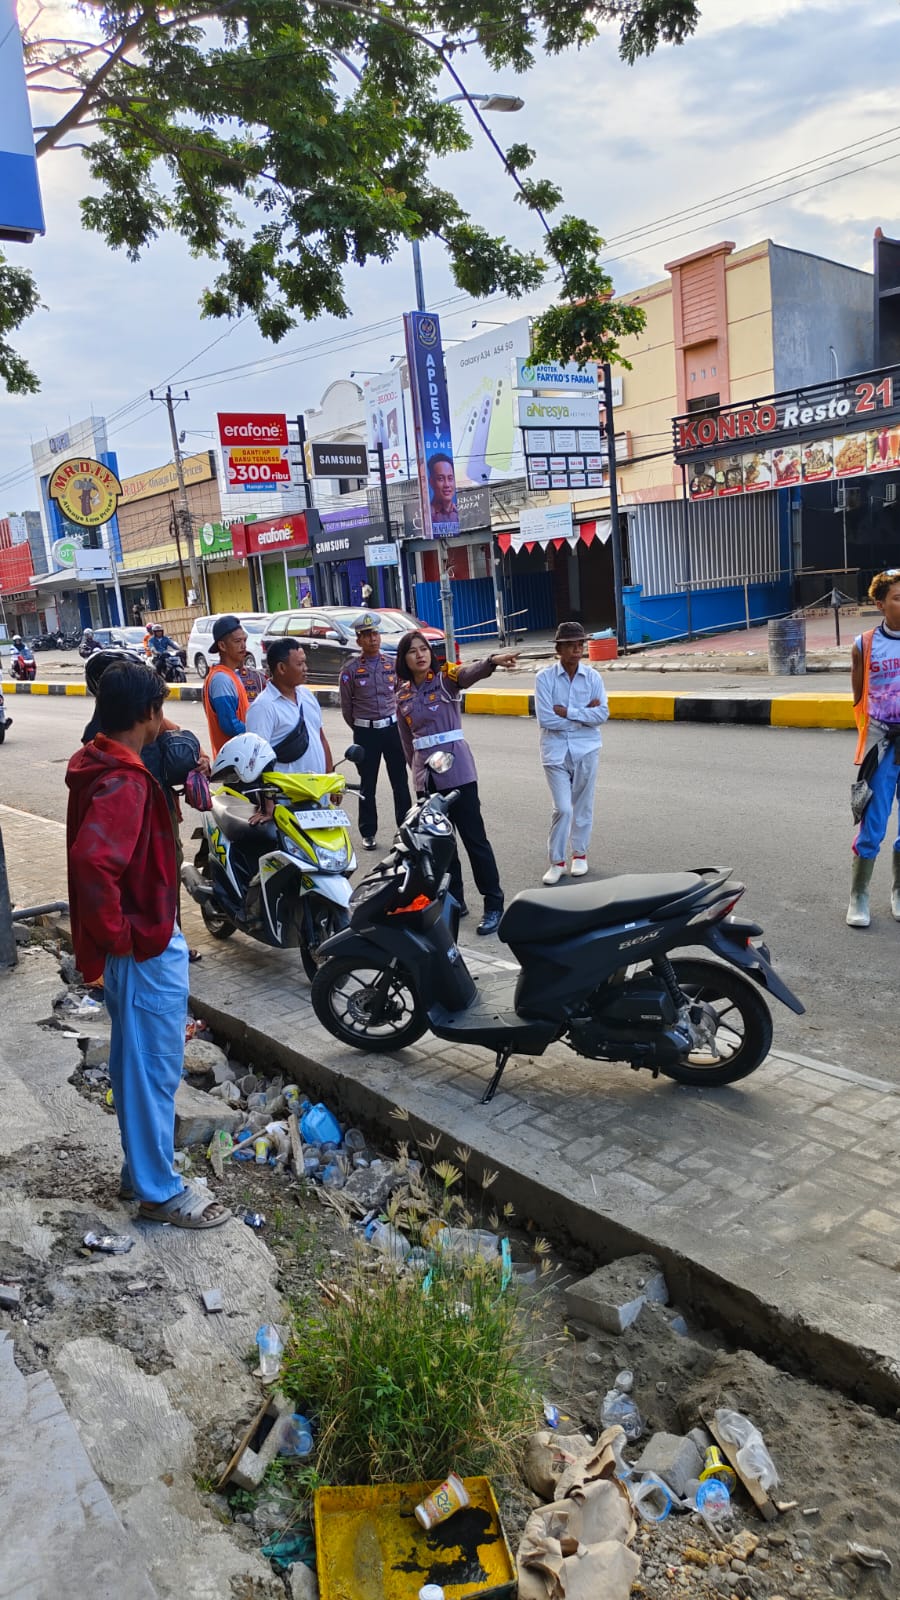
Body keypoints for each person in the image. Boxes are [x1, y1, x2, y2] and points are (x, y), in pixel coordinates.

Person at [65, 659, 228, 1228]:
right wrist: (124, 938)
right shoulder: (125, 782)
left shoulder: (101, 760)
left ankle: (144, 1173)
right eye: (160, 709)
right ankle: (160, 1192)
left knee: (140, 1064)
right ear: (148, 713)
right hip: (143, 947)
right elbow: (93, 864)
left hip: (142, 941)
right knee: (153, 1068)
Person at [395, 630, 517, 935]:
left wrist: (492, 661)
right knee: (441, 844)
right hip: (427, 777)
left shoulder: (445, 680)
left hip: (458, 773)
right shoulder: (403, 696)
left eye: (424, 649)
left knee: (474, 840)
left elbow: (468, 673)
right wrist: (418, 776)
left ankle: (493, 904)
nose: (420, 655)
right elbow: (408, 743)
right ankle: (454, 899)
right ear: (404, 659)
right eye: (413, 651)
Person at [535, 622, 610, 885]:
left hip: (586, 748)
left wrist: (569, 712)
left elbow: (602, 714)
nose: (577, 649)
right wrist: (583, 715)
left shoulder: (593, 678)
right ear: (559, 649)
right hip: (554, 752)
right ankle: (556, 860)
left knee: (584, 806)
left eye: (580, 644)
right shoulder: (544, 679)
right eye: (571, 645)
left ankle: (580, 854)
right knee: (563, 809)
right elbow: (546, 719)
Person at [847, 570, 900, 927]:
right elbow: (858, 696)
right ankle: (859, 896)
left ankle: (898, 892)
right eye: (897, 597)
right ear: (880, 604)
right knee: (873, 824)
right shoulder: (864, 644)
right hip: (882, 746)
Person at [339, 611, 410, 848]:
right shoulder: (349, 670)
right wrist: (363, 726)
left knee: (400, 781)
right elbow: (347, 708)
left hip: (392, 730)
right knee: (367, 783)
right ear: (358, 640)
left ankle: (405, 829)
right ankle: (368, 832)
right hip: (366, 732)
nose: (373, 639)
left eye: (375, 634)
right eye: (367, 635)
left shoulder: (392, 664)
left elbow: (401, 695)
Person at [246, 637, 333, 772]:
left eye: (305, 662)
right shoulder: (263, 707)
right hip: (287, 792)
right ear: (281, 668)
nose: (305, 668)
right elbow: (256, 760)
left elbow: (321, 738)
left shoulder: (307, 695)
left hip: (320, 790)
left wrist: (331, 778)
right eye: (300, 664)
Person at [202, 614, 249, 754]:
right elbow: (229, 725)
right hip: (234, 762)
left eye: (244, 640)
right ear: (222, 646)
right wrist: (257, 732)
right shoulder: (221, 679)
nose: (243, 646)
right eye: (237, 641)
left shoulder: (229, 675)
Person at [427, 453, 459, 531]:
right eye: (440, 479)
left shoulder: (459, 513)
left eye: (450, 478)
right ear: (431, 482)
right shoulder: (427, 516)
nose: (447, 485)